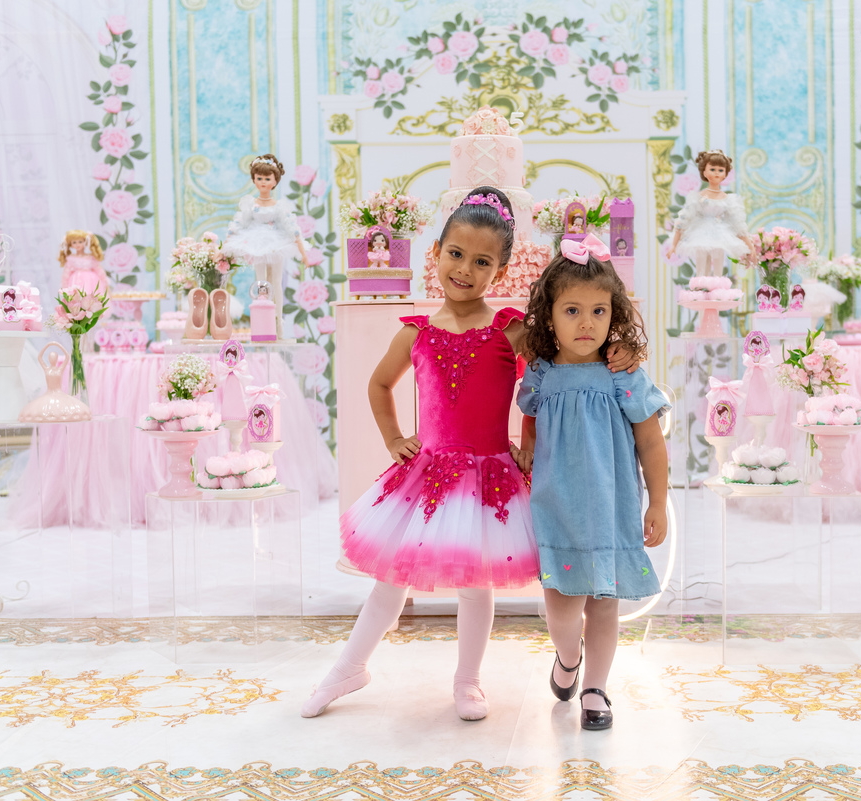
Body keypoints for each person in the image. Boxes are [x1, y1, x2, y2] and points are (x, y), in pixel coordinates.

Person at [301, 188, 639, 722]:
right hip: (427, 476)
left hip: (489, 477)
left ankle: (468, 680)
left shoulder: (510, 330)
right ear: (435, 252)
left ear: (499, 271)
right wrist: (393, 438)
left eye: (482, 262)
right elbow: (378, 385)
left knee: (475, 585)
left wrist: (618, 350)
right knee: (391, 578)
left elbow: (556, 370)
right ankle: (349, 666)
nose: (465, 269)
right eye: (456, 254)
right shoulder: (415, 332)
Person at [518, 233, 670, 731]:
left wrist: (658, 502)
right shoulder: (541, 374)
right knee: (562, 611)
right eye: (572, 311)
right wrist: (528, 450)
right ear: (550, 315)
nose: (587, 323)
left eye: (599, 312)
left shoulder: (622, 374)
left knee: (604, 606)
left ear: (614, 314)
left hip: (611, 509)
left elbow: (651, 442)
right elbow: (531, 420)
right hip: (558, 508)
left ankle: (596, 689)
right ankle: (568, 656)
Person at [221, 154, 308, 339]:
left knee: (276, 281)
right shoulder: (251, 205)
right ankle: (262, 324)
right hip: (256, 243)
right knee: (260, 282)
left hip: (275, 243)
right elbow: (238, 224)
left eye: (267, 179)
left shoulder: (278, 206)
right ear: (254, 179)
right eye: (259, 178)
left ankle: (278, 323)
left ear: (275, 181)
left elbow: (292, 228)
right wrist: (223, 248)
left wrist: (303, 252)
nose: (263, 182)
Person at [667, 150, 754, 276]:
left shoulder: (728, 199)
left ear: (725, 174)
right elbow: (684, 219)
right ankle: (700, 284)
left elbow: (737, 225)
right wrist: (674, 245)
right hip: (700, 232)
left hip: (720, 233)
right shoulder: (698, 197)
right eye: (712, 169)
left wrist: (751, 247)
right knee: (702, 261)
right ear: (704, 172)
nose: (717, 173)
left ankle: (718, 283)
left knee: (718, 258)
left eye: (721, 170)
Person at [58, 230, 110, 297]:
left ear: (85, 242)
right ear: (71, 244)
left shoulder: (91, 257)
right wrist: (64, 287)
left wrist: (105, 283)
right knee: (77, 298)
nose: (77, 244)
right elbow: (66, 274)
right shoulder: (71, 258)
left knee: (92, 297)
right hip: (75, 281)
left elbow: (99, 270)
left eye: (80, 242)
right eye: (74, 242)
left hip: (91, 281)